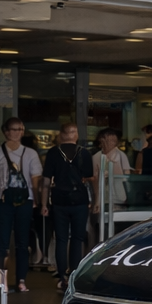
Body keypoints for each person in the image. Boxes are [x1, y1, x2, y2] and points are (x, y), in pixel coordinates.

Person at [0, 118, 43, 292]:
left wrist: (38, 201)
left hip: (25, 201)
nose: (17, 132)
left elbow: (36, 179)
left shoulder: (31, 153)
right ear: (6, 131)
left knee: (22, 243)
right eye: (13, 129)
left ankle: (21, 280)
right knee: (1, 243)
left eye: (20, 129)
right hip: (2, 200)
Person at [41, 123, 95, 291]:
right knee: (77, 239)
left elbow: (45, 182)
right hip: (79, 200)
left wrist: (44, 204)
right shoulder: (84, 153)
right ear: (75, 135)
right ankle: (74, 274)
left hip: (59, 201)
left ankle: (62, 277)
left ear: (61, 135)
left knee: (61, 239)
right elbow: (90, 178)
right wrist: (96, 200)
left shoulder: (52, 153)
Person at [91, 127, 131, 243]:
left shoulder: (121, 156)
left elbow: (127, 177)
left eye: (114, 140)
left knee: (118, 226)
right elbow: (95, 180)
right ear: (101, 140)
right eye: (108, 140)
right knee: (102, 226)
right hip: (103, 197)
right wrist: (97, 201)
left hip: (119, 197)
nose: (111, 143)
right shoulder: (96, 157)